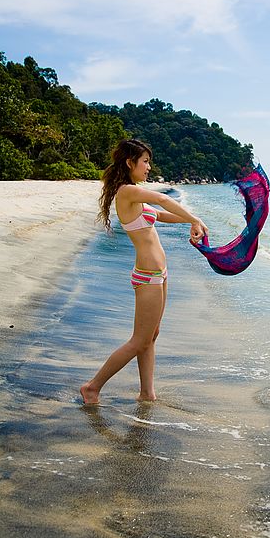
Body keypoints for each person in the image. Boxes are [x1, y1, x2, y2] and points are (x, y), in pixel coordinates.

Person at [80, 138, 208, 405]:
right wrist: (195, 218)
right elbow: (162, 199)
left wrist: (190, 221)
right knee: (139, 341)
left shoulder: (135, 195)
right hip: (147, 276)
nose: (149, 167)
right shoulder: (126, 192)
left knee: (151, 336)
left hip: (159, 275)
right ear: (130, 163)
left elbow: (160, 214)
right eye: (145, 161)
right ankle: (92, 387)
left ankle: (147, 393)